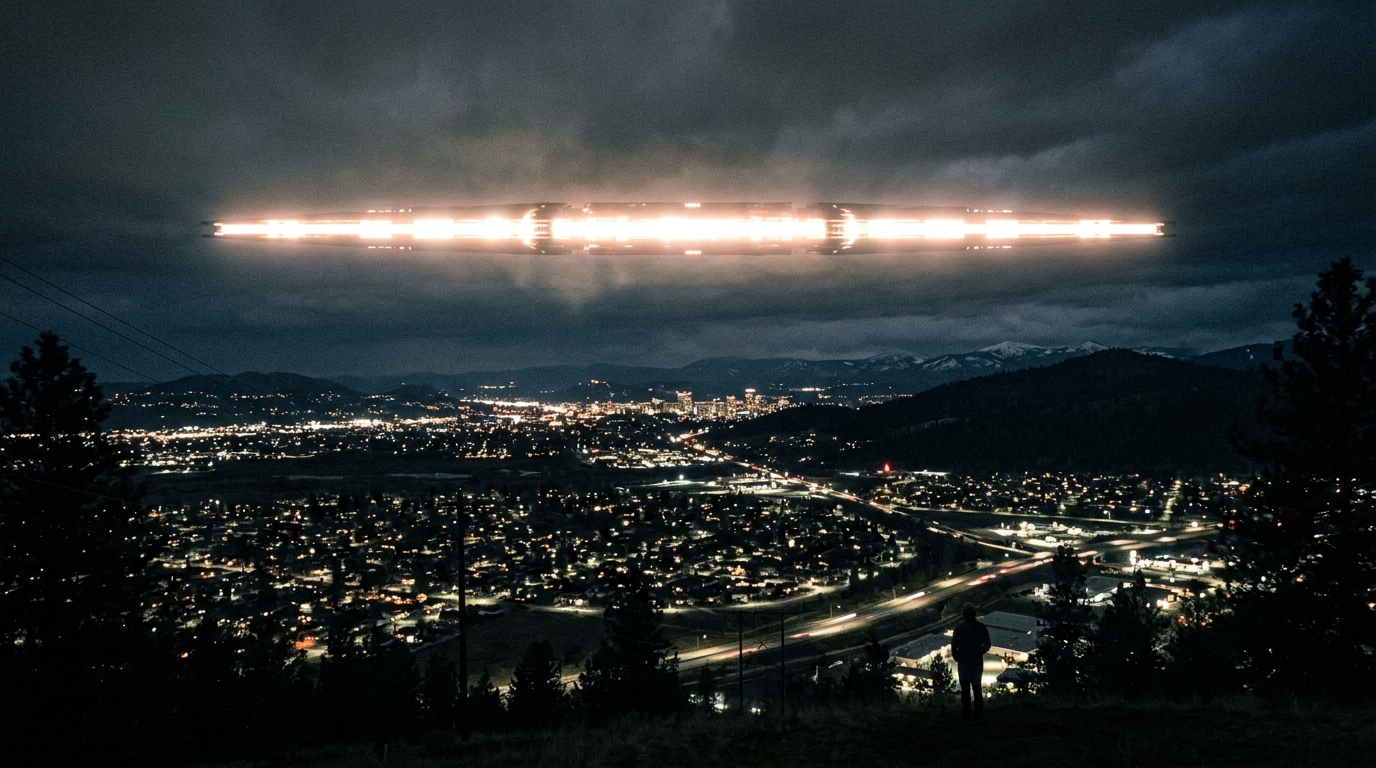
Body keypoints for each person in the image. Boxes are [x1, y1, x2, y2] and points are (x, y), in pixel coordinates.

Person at [950, 602, 991, 721]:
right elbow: (987, 644)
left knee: (965, 690)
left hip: (963, 663)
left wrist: (958, 658)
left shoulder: (959, 628)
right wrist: (979, 652)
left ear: (963, 614)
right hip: (976, 662)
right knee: (977, 688)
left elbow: (954, 646)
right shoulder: (981, 627)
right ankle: (978, 714)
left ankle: (966, 715)